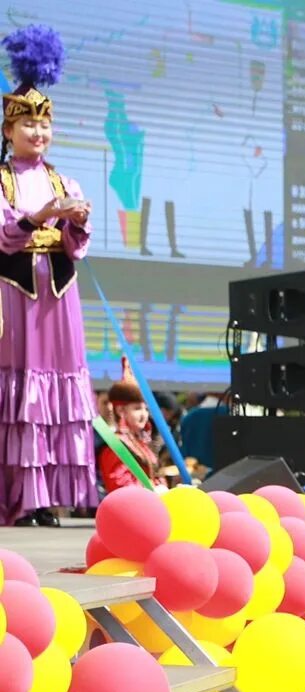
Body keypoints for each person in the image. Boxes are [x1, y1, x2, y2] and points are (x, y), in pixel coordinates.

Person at [0, 26, 96, 527]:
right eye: (28, 125)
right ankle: (18, 498)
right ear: (8, 130)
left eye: (44, 125)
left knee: (57, 390)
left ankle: (48, 499)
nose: (38, 133)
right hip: (16, 293)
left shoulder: (64, 178)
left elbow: (76, 246)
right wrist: (40, 216)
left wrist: (75, 222)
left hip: (58, 295)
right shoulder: (2, 179)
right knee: (21, 390)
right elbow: (4, 234)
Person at [97, 359, 161, 491]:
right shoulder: (115, 446)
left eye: (146, 409)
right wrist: (154, 490)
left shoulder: (141, 441)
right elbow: (120, 486)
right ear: (120, 410)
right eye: (137, 408)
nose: (144, 414)